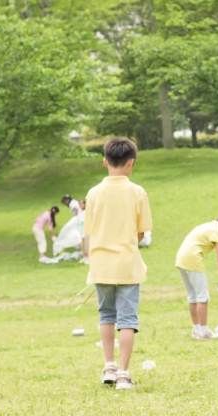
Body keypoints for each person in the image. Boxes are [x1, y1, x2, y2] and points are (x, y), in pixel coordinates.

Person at [84, 137, 152, 390]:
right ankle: (123, 372)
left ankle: (109, 366)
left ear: (105, 161)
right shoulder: (137, 192)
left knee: (106, 316)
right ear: (131, 163)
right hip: (127, 265)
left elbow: (90, 230)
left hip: (101, 264)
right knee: (127, 320)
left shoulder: (93, 194)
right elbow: (141, 234)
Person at [175, 210, 218, 340]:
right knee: (202, 297)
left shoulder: (210, 226)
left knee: (193, 296)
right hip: (192, 259)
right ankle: (203, 331)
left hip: (181, 259)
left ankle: (197, 329)